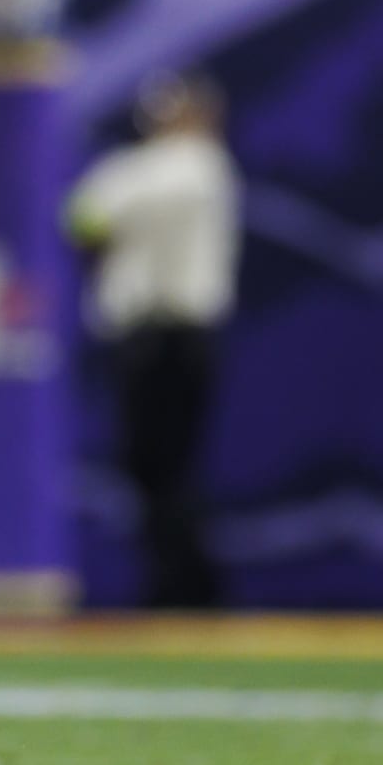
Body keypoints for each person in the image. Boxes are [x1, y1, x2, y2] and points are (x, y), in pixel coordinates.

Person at [64, 72, 240, 608]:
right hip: (183, 337)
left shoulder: (157, 170)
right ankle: (183, 583)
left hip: (158, 338)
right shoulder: (209, 168)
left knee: (157, 468)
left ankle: (184, 587)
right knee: (166, 468)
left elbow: (84, 219)